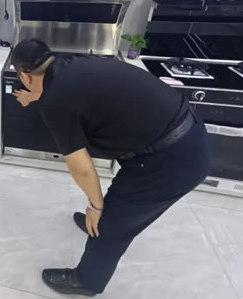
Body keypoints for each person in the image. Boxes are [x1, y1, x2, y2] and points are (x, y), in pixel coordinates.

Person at [11, 38, 211, 297]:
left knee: (112, 226)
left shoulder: (55, 102)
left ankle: (86, 282)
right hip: (188, 133)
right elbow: (68, 93)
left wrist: (96, 207)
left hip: (171, 162)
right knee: (111, 214)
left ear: (24, 75)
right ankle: (98, 224)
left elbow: (82, 168)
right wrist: (36, 96)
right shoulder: (74, 66)